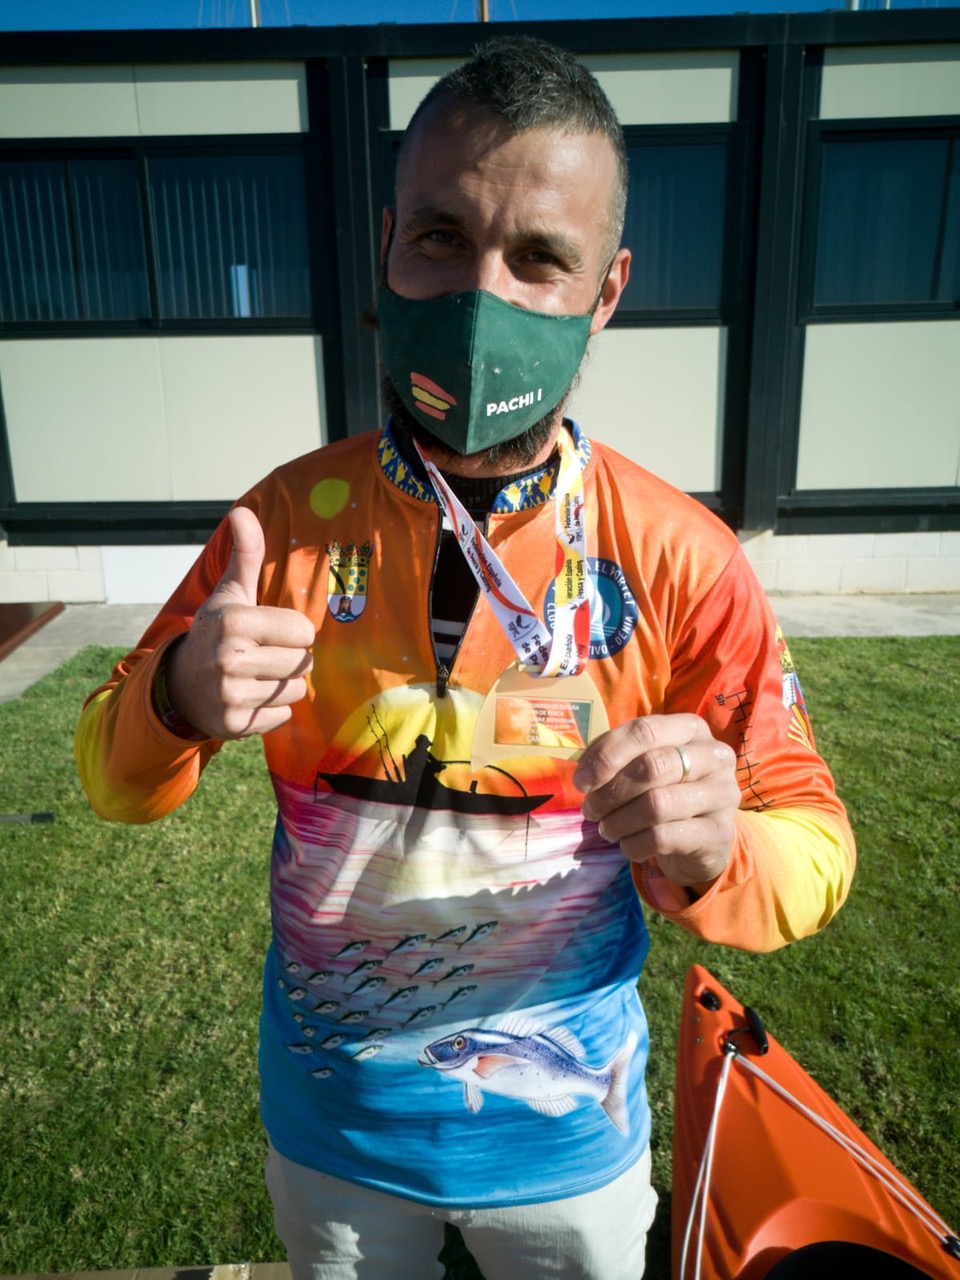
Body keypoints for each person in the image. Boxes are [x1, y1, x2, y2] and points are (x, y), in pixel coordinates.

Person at [76, 35, 856, 1280]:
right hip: (334, 1134)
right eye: (441, 235)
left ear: (605, 291)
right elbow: (112, 780)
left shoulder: (683, 559)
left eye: (540, 257)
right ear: (388, 246)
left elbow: (816, 848)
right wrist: (174, 697)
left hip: (570, 1150)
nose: (483, 296)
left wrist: (723, 850)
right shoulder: (277, 523)